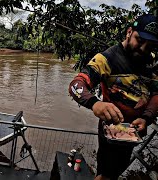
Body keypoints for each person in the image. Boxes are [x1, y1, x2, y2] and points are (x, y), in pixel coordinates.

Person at [68, 14, 158, 180]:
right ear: (129, 32)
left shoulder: (150, 60)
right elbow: (76, 85)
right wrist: (95, 104)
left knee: (116, 172)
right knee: (105, 175)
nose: (143, 49)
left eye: (150, 46)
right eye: (139, 40)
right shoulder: (106, 59)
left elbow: (155, 92)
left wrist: (147, 118)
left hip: (134, 131)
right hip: (112, 130)